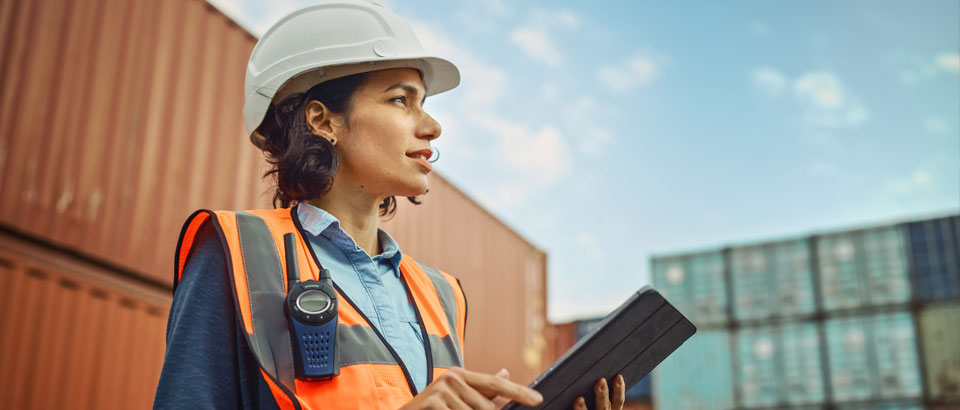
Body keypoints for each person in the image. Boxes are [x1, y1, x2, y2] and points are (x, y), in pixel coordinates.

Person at [153, 1, 625, 409]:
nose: (433, 126)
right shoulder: (237, 250)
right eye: (401, 100)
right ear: (323, 120)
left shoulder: (442, 294)